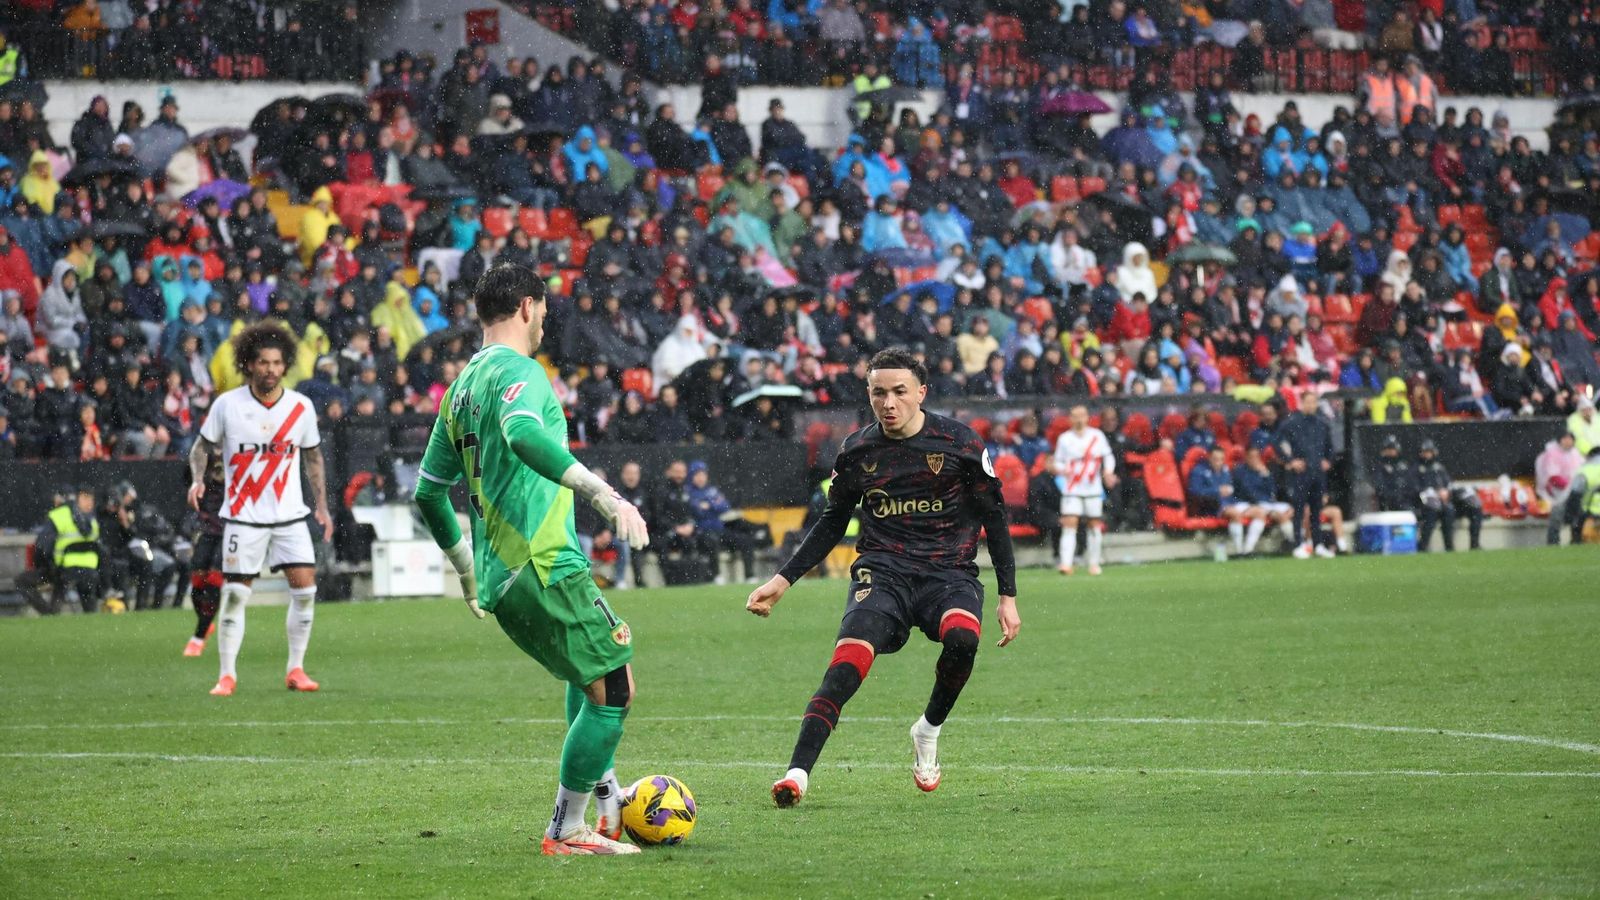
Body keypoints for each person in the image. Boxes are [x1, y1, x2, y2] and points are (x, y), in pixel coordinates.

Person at [412, 264, 651, 856]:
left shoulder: (461, 387)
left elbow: (428, 490)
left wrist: (467, 571)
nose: (545, 319)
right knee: (615, 688)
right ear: (525, 306)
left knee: (589, 675)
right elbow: (522, 434)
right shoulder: (522, 373)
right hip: (543, 562)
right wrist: (603, 492)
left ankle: (606, 803)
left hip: (500, 575)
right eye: (542, 309)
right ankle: (567, 831)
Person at [745, 348, 1020, 807]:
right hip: (883, 572)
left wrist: (1007, 595)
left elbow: (995, 517)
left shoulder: (961, 444)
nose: (888, 403)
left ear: (921, 393)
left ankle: (927, 730)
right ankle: (796, 774)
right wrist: (783, 580)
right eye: (878, 393)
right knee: (847, 664)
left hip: (948, 572)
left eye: (899, 392)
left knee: (963, 639)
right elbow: (833, 520)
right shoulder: (857, 451)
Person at [187, 323, 333, 697]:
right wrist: (197, 479)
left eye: (276, 363)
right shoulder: (228, 405)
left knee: (305, 593)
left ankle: (296, 669)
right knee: (235, 595)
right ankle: (226, 675)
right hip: (243, 517)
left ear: (285, 367)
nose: (269, 369)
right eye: (262, 362)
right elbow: (201, 448)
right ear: (248, 364)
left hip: (289, 516)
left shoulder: (300, 407)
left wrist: (322, 507)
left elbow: (313, 458)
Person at [1051, 403, 1116, 575]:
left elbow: (1108, 456)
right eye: (1075, 415)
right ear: (1070, 419)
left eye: (1082, 415)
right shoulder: (1064, 439)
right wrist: (1062, 469)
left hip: (1093, 488)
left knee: (1094, 525)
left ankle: (1094, 563)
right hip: (1072, 488)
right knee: (1069, 523)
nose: (1079, 419)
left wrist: (1108, 472)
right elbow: (1057, 461)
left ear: (1088, 417)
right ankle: (1066, 563)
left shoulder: (1097, 436)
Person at [1278, 389, 1336, 558]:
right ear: (1301, 403)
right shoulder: (1291, 423)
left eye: (1313, 402)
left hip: (1317, 472)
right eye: (1308, 402)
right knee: (1299, 509)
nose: (1311, 405)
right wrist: (1290, 460)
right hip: (1300, 473)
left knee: (1317, 510)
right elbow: (1278, 442)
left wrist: (1328, 460)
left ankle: (1317, 544)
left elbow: (1330, 446)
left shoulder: (1322, 423)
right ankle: (1298, 544)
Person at [182, 456, 227, 656]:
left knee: (214, 581)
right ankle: (205, 621)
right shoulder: (204, 460)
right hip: (208, 529)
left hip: (231, 529)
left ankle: (198, 637)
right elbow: (186, 474)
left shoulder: (238, 459)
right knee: (197, 584)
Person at [34, 485, 103, 613]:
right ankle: (91, 620)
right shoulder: (92, 520)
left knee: (24, 582)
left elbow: (43, 546)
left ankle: (50, 614)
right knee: (89, 606)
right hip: (90, 569)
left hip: (66, 569)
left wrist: (47, 566)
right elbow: (99, 547)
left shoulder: (57, 516)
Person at [1413, 439, 1483, 552]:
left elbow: (1448, 484)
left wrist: (1446, 492)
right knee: (1437, 511)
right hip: (1425, 506)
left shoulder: (1439, 468)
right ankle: (1423, 547)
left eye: (1429, 452)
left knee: (1473, 508)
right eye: (1424, 452)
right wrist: (1434, 493)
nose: (1427, 454)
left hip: (1445, 503)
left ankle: (1469, 545)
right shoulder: (1416, 469)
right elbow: (1415, 490)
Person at [1231, 446, 1291, 555]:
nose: (1254, 460)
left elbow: (1273, 491)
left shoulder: (1263, 470)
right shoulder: (1240, 471)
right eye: (1251, 457)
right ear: (1246, 457)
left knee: (1292, 510)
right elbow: (1247, 492)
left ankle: (1296, 543)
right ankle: (1247, 550)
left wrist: (1266, 475)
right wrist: (1262, 501)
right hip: (1250, 503)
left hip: (1267, 503)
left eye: (1256, 457)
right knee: (1267, 514)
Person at [1537, 432, 1583, 546]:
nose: (1568, 441)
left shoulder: (1576, 453)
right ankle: (1553, 541)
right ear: (1559, 440)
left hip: (1574, 492)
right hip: (1555, 493)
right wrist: (1569, 486)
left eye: (1570, 439)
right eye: (1565, 438)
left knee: (1578, 513)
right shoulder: (1551, 454)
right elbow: (1552, 478)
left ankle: (1576, 539)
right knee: (1557, 513)